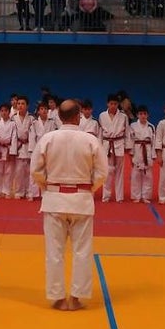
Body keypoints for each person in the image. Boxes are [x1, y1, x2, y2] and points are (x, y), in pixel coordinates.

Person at [31, 98, 107, 311]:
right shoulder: (90, 140)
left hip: (54, 200)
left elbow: (35, 170)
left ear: (59, 117)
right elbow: (102, 172)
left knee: (54, 252)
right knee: (82, 251)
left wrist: (47, 188)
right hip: (81, 201)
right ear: (78, 116)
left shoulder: (48, 138)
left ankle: (57, 297)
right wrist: (88, 189)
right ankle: (76, 297)